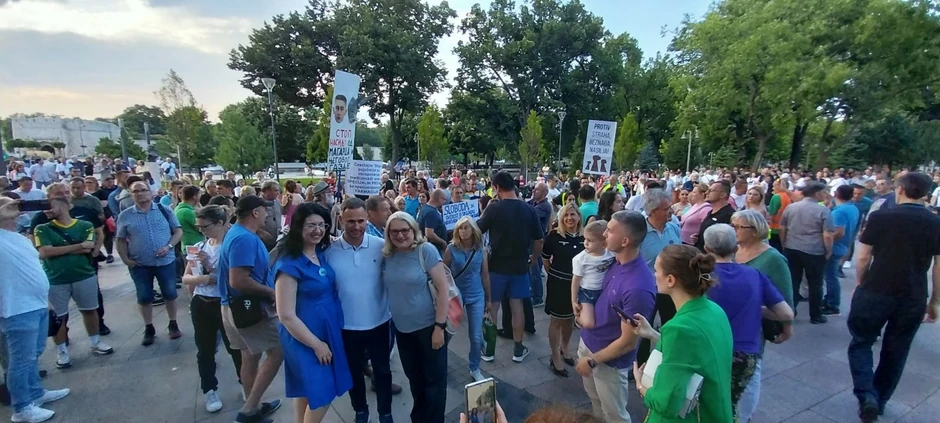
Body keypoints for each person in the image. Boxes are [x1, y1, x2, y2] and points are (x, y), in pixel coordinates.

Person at [848, 172, 940, 422]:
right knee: (897, 350)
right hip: (912, 294)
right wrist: (934, 300)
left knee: (861, 341)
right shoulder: (935, 222)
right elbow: (938, 266)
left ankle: (866, 393)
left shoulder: (881, 217)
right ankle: (879, 398)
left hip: (876, 288)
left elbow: (863, 256)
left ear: (899, 189)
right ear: (926, 193)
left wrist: (860, 282)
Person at [630, 245, 733, 423]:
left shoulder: (679, 329)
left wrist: (640, 385)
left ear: (670, 280)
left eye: (657, 270)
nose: (654, 275)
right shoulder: (715, 310)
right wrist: (653, 334)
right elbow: (697, 352)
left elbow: (666, 404)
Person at [703, 224, 793, 419]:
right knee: (738, 406)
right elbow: (786, 314)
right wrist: (756, 309)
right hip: (745, 354)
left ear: (706, 248)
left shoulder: (701, 279)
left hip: (709, 351)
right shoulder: (754, 275)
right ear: (735, 248)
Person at [273, 203, 352, 423]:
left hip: (327, 331)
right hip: (306, 337)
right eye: (311, 225)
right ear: (298, 227)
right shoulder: (289, 264)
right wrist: (317, 345)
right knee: (323, 390)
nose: (318, 230)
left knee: (306, 389)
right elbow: (285, 314)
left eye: (321, 225)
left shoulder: (319, 253)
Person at [575, 211, 656, 423]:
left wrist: (592, 361)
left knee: (614, 415)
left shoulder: (638, 287)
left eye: (609, 231)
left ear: (625, 241)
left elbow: (628, 342)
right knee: (596, 404)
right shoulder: (614, 261)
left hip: (607, 362)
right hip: (590, 342)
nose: (604, 234)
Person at [325, 198, 399, 423]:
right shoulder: (329, 251)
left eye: (360, 221)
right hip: (347, 327)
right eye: (351, 221)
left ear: (367, 219)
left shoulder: (381, 246)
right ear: (341, 220)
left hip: (379, 323)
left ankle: (385, 413)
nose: (356, 226)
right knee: (354, 373)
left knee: (383, 372)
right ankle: (360, 410)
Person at [0, 197, 71, 423]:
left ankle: (35, 393)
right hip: (16, 309)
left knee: (34, 353)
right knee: (20, 360)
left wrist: (46, 301)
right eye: (6, 205)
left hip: (37, 303)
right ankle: (22, 408)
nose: (14, 208)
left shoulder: (18, 237)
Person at [217, 196, 284, 423]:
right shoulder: (244, 238)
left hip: (234, 308)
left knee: (250, 356)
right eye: (265, 211)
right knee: (278, 351)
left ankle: (253, 406)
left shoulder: (237, 234)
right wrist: (271, 293)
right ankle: (248, 409)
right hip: (250, 310)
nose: (267, 215)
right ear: (255, 212)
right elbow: (238, 280)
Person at [383, 211, 451, 423]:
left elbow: (443, 290)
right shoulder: (388, 255)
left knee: (434, 383)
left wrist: (439, 327)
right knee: (415, 379)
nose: (400, 235)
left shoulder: (426, 250)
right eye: (394, 231)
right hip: (403, 331)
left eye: (405, 230)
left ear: (414, 230)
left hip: (429, 329)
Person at [35, 196, 115, 369]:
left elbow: (89, 246)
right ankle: (62, 351)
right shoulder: (41, 228)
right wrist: (78, 246)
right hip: (55, 279)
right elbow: (45, 252)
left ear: (63, 206)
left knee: (90, 310)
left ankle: (95, 341)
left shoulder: (85, 225)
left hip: (84, 275)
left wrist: (59, 250)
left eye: (50, 206)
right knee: (59, 317)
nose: (46, 211)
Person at [732, 210, 794, 421]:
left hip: (753, 330)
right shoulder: (733, 251)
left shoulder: (773, 259)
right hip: (729, 327)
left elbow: (785, 302)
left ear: (756, 230)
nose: (734, 230)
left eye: (739, 227)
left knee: (750, 376)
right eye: (733, 226)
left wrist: (786, 328)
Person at [476, 171, 544, 362]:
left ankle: (489, 351)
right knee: (517, 308)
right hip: (520, 266)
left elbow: (476, 230)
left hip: (496, 267)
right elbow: (539, 239)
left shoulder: (494, 209)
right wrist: (534, 259)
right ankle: (518, 349)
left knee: (492, 307)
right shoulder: (529, 209)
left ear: (497, 187)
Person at [182, 205, 242, 414]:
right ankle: (209, 389)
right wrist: (202, 279)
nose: (202, 231)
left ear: (220, 223)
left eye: (205, 226)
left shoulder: (231, 247)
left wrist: (210, 267)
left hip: (223, 303)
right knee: (205, 350)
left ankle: (245, 382)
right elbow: (186, 277)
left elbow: (233, 278)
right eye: (199, 227)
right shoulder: (199, 246)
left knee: (235, 347)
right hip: (201, 302)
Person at [115, 181, 184, 345]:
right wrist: (125, 259)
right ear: (131, 195)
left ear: (150, 192)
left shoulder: (164, 210)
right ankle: (149, 327)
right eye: (136, 191)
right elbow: (120, 239)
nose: (140, 194)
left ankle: (173, 323)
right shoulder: (125, 215)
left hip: (165, 261)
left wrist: (168, 247)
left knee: (170, 293)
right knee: (144, 296)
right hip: (139, 264)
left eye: (143, 190)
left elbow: (178, 231)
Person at [444, 217, 491, 382]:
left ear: (473, 230)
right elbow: (443, 272)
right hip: (455, 295)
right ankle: (439, 361)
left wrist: (489, 300)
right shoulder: (451, 249)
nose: (463, 231)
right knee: (447, 332)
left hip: (476, 294)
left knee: (476, 336)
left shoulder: (481, 250)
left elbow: (485, 275)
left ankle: (474, 367)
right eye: (460, 228)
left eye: (466, 228)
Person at [779, 182, 833, 324]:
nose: (826, 195)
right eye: (824, 192)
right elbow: (827, 234)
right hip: (814, 250)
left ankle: (791, 310)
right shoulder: (823, 210)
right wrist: (828, 250)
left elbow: (783, 228)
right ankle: (816, 315)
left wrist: (784, 244)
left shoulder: (791, 207)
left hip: (792, 247)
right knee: (815, 283)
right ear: (817, 194)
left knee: (793, 281)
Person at [541, 204, 584, 377]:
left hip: (578, 286)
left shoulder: (584, 237)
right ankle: (554, 357)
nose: (569, 218)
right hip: (558, 284)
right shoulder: (554, 236)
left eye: (572, 214)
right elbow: (545, 260)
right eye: (566, 215)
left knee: (570, 319)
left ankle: (564, 348)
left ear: (579, 216)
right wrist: (555, 275)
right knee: (557, 320)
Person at [822, 185, 860, 316]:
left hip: (834, 247)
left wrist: (825, 241)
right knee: (831, 275)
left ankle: (832, 304)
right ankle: (830, 300)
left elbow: (838, 232)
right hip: (843, 246)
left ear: (836, 194)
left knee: (830, 276)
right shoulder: (852, 208)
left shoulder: (839, 212)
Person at [570, 220, 613, 330]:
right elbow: (575, 280)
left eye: (590, 240)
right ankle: (578, 319)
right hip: (586, 293)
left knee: (604, 320)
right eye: (585, 239)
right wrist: (574, 301)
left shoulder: (611, 254)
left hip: (604, 290)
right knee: (589, 323)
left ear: (604, 243)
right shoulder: (580, 259)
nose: (585, 243)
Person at [528, 182, 553, 308]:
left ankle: (537, 297)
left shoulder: (544, 206)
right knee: (532, 269)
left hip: (536, 242)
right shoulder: (534, 202)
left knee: (534, 269)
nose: (533, 191)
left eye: (537, 190)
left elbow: (529, 214)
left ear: (544, 193)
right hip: (531, 240)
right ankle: (533, 293)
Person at [694, 180, 735, 251]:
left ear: (722, 195)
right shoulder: (710, 212)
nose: (706, 193)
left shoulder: (730, 215)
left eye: (711, 190)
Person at [175, 185, 205, 250]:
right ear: (194, 197)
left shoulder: (178, 208)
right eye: (199, 195)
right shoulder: (187, 212)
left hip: (188, 247)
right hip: (194, 248)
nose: (200, 197)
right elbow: (203, 228)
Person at [419, 189, 448, 254]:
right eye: (444, 199)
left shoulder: (426, 208)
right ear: (439, 198)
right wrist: (443, 242)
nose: (445, 202)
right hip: (435, 248)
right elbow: (429, 234)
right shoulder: (431, 213)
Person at [767, 179, 792, 252]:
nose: (772, 188)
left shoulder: (776, 197)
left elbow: (771, 214)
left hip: (774, 229)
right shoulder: (790, 196)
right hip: (787, 228)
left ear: (780, 186)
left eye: (774, 186)